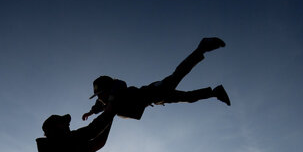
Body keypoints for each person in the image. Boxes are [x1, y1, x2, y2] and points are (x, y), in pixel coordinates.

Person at [82, 37, 231, 121]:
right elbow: (100, 104)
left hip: (154, 91)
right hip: (157, 99)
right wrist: (91, 112)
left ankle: (202, 48)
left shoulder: (117, 91)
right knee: (188, 97)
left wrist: (111, 100)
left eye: (100, 93)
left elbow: (118, 84)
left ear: (107, 90)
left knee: (178, 75)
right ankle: (215, 92)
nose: (99, 97)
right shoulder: (107, 102)